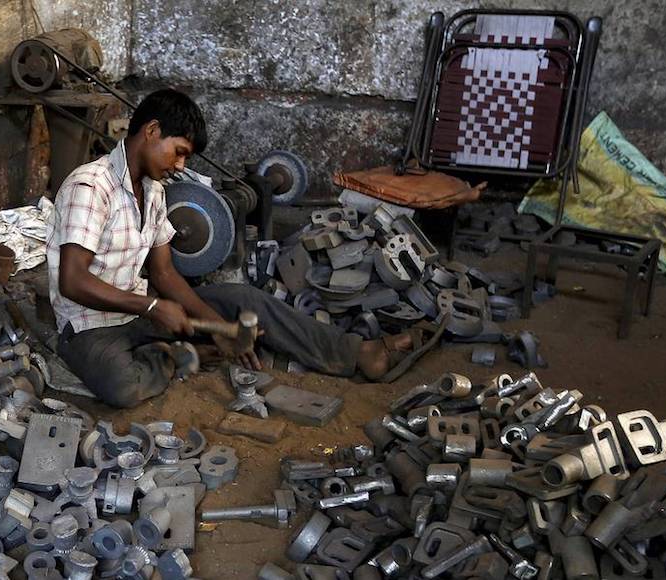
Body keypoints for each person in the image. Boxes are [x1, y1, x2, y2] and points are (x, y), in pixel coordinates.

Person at [45, 89, 428, 408]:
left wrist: (222, 327)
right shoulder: (91, 187)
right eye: (178, 152)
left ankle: (355, 352)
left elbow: (163, 274)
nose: (180, 166)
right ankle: (180, 357)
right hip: (89, 329)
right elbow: (73, 282)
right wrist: (150, 306)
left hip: (140, 313)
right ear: (152, 130)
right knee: (122, 387)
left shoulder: (154, 192)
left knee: (247, 299)